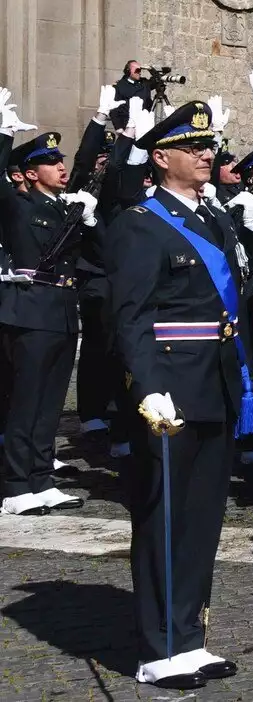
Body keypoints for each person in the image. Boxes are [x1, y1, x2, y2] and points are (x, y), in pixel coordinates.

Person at [105, 100, 253, 689]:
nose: (206, 154)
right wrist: (146, 386)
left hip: (214, 380)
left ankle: (189, 636)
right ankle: (159, 647)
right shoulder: (139, 224)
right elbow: (131, 318)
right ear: (160, 157)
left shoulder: (214, 219)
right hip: (170, 388)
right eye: (193, 147)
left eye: (209, 146)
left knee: (201, 518)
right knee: (165, 515)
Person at [0, 107, 88, 515]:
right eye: (51, 162)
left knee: (50, 403)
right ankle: (17, 486)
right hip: (31, 310)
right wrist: (2, 136)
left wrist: (90, 219)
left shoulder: (63, 208)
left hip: (62, 312)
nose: (60, 166)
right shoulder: (19, 205)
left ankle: (41, 479)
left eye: (61, 160)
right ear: (30, 173)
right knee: (26, 401)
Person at [111, 61, 153, 129]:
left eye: (140, 70)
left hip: (145, 122)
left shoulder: (144, 83)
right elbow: (114, 108)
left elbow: (157, 81)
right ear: (128, 72)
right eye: (137, 70)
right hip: (128, 124)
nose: (139, 72)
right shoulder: (120, 86)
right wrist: (118, 127)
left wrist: (151, 69)